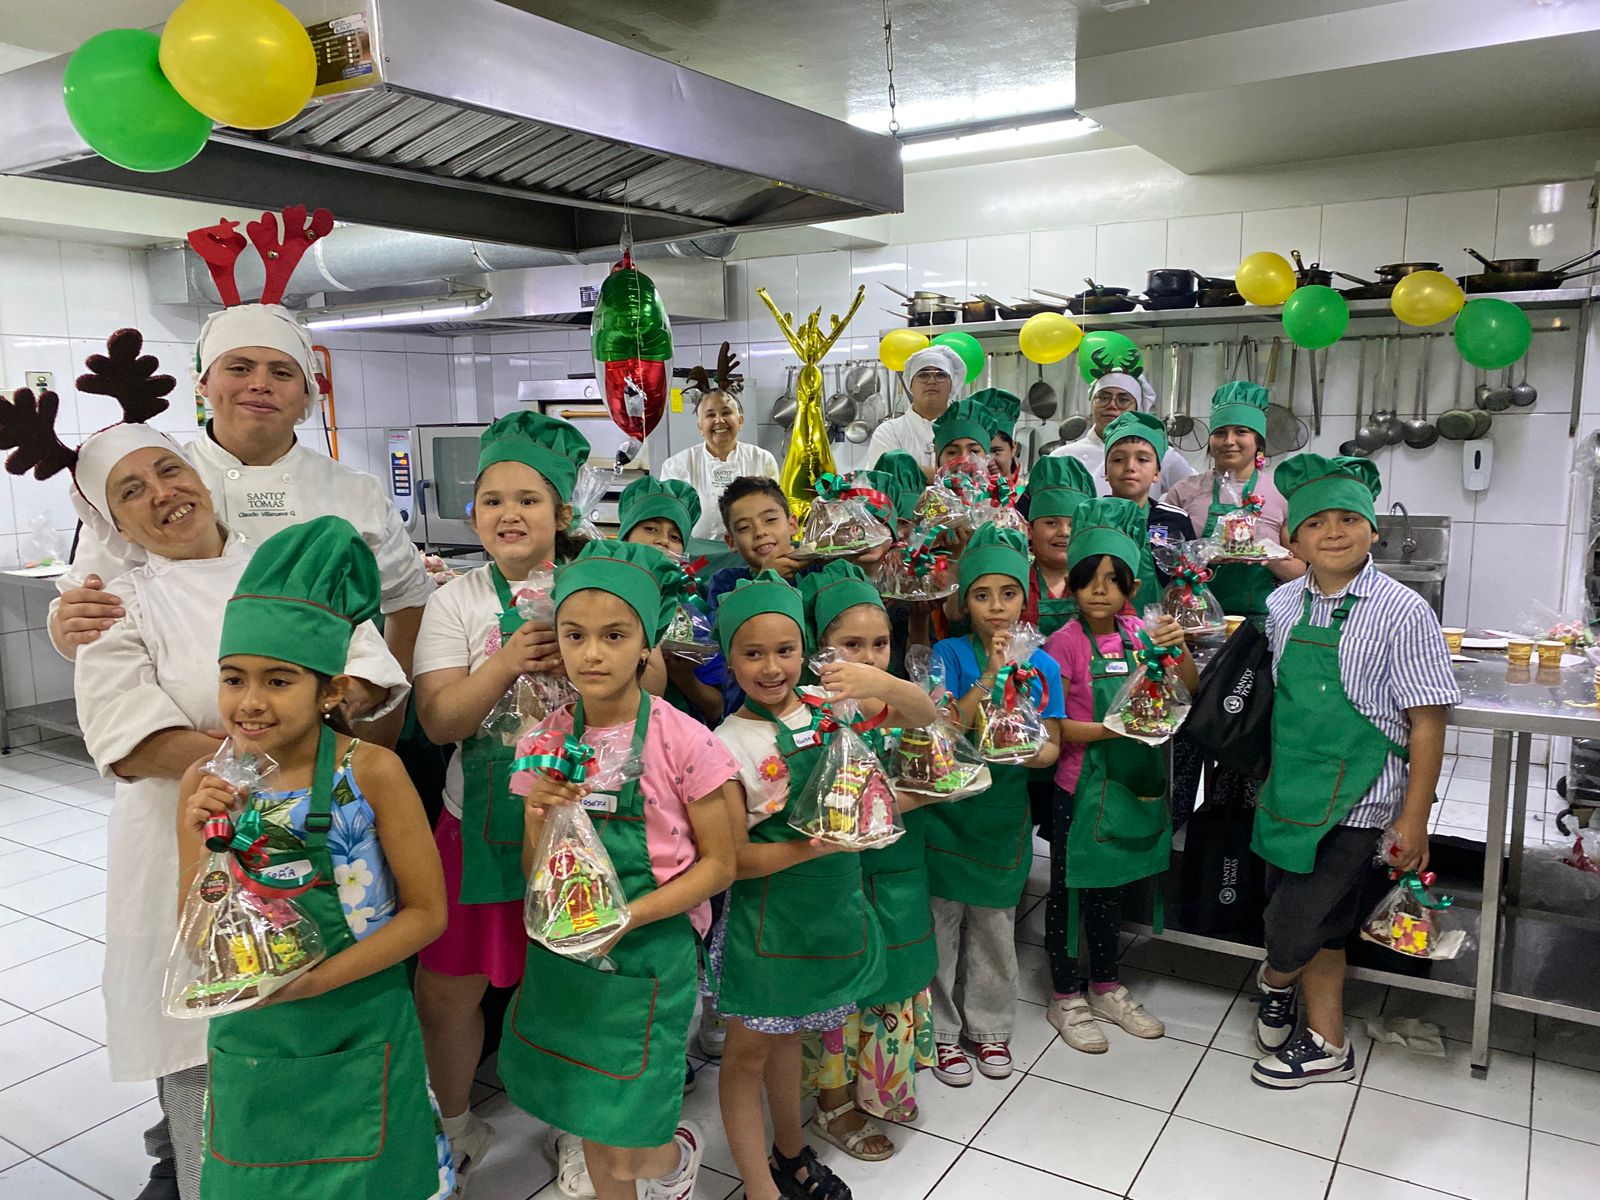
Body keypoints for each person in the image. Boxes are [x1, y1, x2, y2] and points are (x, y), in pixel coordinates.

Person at [10, 336, 406, 1200]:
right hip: (186, 852)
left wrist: (326, 726)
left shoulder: (282, 559)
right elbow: (132, 739)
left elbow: (370, 674)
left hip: (321, 850)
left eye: (167, 471)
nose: (162, 495)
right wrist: (297, 763)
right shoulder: (115, 602)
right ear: (114, 522)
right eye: (131, 492)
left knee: (319, 1034)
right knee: (208, 1057)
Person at [177, 516, 451, 1200]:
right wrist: (201, 836)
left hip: (361, 1014)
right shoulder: (207, 785)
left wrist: (317, 981)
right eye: (234, 679)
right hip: (256, 1034)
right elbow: (195, 932)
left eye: (278, 681)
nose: (249, 702)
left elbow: (427, 914)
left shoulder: (373, 772)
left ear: (330, 690)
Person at [496, 540, 739, 1200]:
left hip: (649, 956)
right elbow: (535, 872)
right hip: (569, 955)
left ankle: (673, 1157)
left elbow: (720, 865)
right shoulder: (545, 739)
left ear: (645, 645)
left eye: (614, 635)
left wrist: (629, 915)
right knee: (593, 1122)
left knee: (634, 1140)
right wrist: (535, 817)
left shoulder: (682, 739)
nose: (593, 653)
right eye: (575, 635)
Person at [50, 303, 432, 687]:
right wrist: (65, 627)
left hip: (330, 715)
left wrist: (382, 710)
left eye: (281, 373)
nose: (260, 384)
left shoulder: (355, 491)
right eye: (239, 367)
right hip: (186, 716)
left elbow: (409, 599)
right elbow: (89, 613)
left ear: (306, 395)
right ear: (203, 384)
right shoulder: (162, 489)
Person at [410, 411, 593, 1188]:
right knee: (450, 988)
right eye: (491, 499)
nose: (509, 513)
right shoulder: (456, 602)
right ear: (472, 514)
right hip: (474, 824)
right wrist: (508, 664)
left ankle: (583, 1131)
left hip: (583, 824)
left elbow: (649, 689)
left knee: (576, 984)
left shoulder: (599, 580)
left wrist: (590, 645)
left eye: (528, 498)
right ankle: (455, 1126)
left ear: (562, 514)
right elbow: (439, 718)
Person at [1251, 455, 1457, 1088]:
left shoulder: (1404, 612)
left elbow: (1427, 722)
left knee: (1293, 926)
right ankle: (1327, 1043)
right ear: (1294, 540)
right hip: (1289, 790)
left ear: (1374, 530)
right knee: (1329, 925)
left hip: (1359, 801)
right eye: (1316, 523)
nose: (1333, 532)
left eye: (1349, 518)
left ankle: (1274, 979)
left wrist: (1414, 818)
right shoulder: (1283, 604)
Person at [710, 573, 891, 1200]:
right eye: (751, 653)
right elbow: (732, 861)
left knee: (787, 1041)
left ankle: (791, 1151)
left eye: (786, 650)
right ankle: (760, 1187)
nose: (771, 667)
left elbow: (920, 714)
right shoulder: (727, 745)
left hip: (826, 910)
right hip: (767, 925)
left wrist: (880, 681)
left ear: (808, 651)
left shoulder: (830, 707)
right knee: (747, 1056)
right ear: (728, 657)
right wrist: (815, 844)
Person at [1040, 498, 1198, 1054]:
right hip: (1079, 789)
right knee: (1068, 893)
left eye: (1114, 581)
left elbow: (1187, 694)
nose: (1101, 591)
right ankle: (1065, 993)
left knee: (1110, 889)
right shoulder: (1061, 646)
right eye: (1090, 580)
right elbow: (1058, 730)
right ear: (1075, 587)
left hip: (1132, 782)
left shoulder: (1141, 634)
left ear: (1130, 588)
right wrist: (1121, 727)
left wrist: (1177, 654)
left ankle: (1106, 983)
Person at [797, 562, 939, 1160]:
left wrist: (875, 680)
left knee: (891, 986)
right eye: (849, 645)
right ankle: (834, 1105)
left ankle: (880, 1088)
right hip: (834, 878)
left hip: (896, 870)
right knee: (840, 993)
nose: (868, 657)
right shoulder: (804, 710)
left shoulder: (887, 704)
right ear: (816, 648)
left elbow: (927, 715)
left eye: (879, 644)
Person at [922, 526, 1063, 1086]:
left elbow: (1050, 748)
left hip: (1003, 815)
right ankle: (940, 1030)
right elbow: (944, 724)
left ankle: (989, 1027)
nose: (996, 607)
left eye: (1007, 593)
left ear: (1024, 598)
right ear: (964, 602)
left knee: (994, 929)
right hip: (949, 812)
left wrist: (1018, 751)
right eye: (982, 595)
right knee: (940, 924)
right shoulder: (947, 653)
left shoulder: (1042, 665)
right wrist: (989, 677)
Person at [1164, 381, 1305, 625]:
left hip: (1263, 622)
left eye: (1241, 431)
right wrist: (1205, 554)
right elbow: (1164, 558)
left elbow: (1300, 571)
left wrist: (1267, 554)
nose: (1229, 441)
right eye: (1220, 433)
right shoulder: (1184, 491)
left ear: (1259, 442)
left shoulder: (1282, 493)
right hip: (1196, 620)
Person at [1100, 411, 1196, 614]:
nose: (1129, 467)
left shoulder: (1174, 519)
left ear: (1157, 473)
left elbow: (1190, 581)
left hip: (1162, 628)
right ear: (1106, 472)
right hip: (1104, 630)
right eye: (1118, 460)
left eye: (1142, 459)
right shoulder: (1093, 516)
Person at [1050, 370, 1195, 500]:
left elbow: (1194, 494)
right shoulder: (1062, 457)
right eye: (1103, 397)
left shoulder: (1162, 455)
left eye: (1123, 400)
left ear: (1137, 408)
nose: (1111, 405)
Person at [659, 387, 779, 541]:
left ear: (740, 421)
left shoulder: (762, 459)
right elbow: (668, 518)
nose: (719, 420)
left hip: (753, 550)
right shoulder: (677, 465)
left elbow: (775, 510)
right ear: (700, 426)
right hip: (697, 554)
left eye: (726, 412)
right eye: (710, 415)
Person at [1019, 454, 1098, 638]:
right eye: (1051, 523)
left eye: (1073, 524)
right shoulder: (1017, 581)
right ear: (1030, 530)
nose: (1064, 532)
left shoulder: (1100, 582)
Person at [865, 344, 967, 474]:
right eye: (923, 375)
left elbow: (975, 476)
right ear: (910, 384)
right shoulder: (889, 431)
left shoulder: (966, 429)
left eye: (940, 375)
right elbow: (886, 475)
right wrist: (949, 475)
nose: (931, 381)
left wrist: (910, 471)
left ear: (952, 384)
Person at [931, 392, 1018, 474]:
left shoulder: (1023, 489)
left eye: (974, 452)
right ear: (937, 455)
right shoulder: (923, 489)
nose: (964, 460)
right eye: (952, 452)